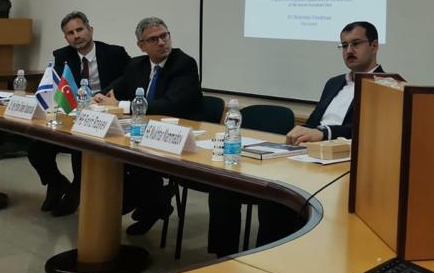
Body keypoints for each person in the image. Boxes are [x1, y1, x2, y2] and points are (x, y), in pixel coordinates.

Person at [208, 21, 383, 257]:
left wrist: (325, 133)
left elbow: (370, 128)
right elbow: (312, 123)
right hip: (305, 155)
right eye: (344, 46)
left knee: (276, 197)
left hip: (340, 164)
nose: (348, 51)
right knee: (225, 183)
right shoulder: (334, 83)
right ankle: (222, 259)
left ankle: (268, 260)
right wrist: (301, 132)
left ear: (374, 46)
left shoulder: (385, 85)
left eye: (355, 44)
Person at [94, 17, 203, 235]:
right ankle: (149, 200)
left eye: (164, 36)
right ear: (141, 45)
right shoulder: (137, 65)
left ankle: (148, 203)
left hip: (181, 135)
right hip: (145, 132)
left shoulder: (183, 63)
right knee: (106, 152)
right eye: (153, 39)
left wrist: (121, 105)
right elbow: (115, 89)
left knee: (138, 158)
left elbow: (171, 105)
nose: (162, 42)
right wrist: (98, 97)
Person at [28, 11, 130, 216]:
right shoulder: (62, 56)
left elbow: (130, 77)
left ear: (90, 30)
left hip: (107, 117)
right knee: (36, 149)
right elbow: (60, 87)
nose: (76, 36)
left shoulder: (114, 53)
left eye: (80, 30)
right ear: (66, 37)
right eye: (70, 33)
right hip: (74, 117)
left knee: (80, 148)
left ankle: (76, 190)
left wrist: (102, 96)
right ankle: (57, 183)